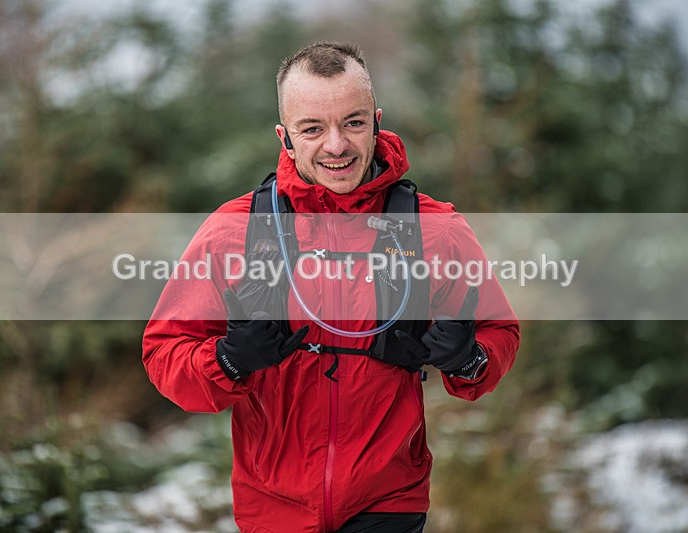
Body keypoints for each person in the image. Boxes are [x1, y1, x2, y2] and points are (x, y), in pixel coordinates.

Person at [143, 42, 519, 533]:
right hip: (272, 506)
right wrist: (228, 360)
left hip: (389, 501)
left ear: (377, 122)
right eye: (313, 128)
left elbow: (500, 333)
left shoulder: (436, 229)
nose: (337, 145)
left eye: (354, 122)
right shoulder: (233, 231)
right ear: (285, 137)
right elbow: (163, 354)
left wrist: (469, 359)